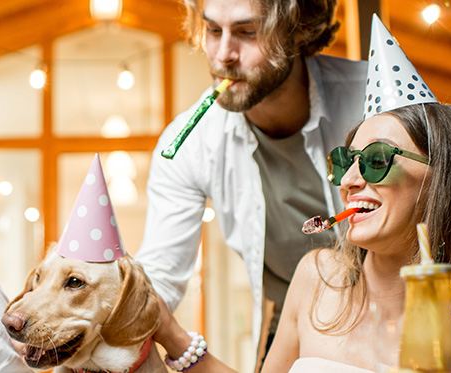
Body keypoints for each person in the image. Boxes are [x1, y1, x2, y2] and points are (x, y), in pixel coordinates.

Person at [259, 16, 451, 372]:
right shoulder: (316, 277)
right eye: (345, 161)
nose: (348, 180)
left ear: (444, 179)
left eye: (377, 159)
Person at [135, 0, 366, 361]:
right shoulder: (189, 143)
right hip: (296, 316)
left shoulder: (376, 101)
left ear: (300, 28)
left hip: (396, 303)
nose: (223, 54)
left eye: (247, 33)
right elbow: (158, 281)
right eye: (213, 31)